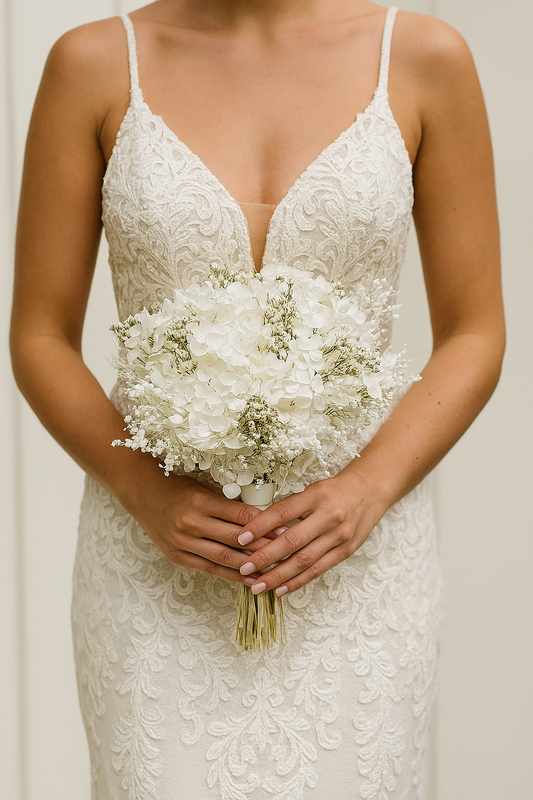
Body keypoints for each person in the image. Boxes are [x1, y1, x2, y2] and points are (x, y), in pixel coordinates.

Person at [10, 1, 504, 797]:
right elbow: (39, 334)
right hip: (155, 557)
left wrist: (365, 489)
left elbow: (475, 330)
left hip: (355, 558)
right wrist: (145, 492)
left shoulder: (422, 57)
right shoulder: (93, 63)